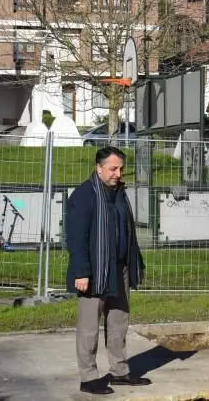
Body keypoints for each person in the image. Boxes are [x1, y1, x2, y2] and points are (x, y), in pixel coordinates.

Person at [66, 146, 149, 395]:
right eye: (113, 168)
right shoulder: (84, 195)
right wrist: (81, 272)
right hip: (94, 271)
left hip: (120, 267)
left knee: (118, 321)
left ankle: (120, 371)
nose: (118, 173)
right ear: (98, 168)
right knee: (89, 326)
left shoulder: (119, 194)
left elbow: (128, 231)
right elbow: (76, 237)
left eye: (121, 168)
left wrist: (135, 262)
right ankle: (89, 377)